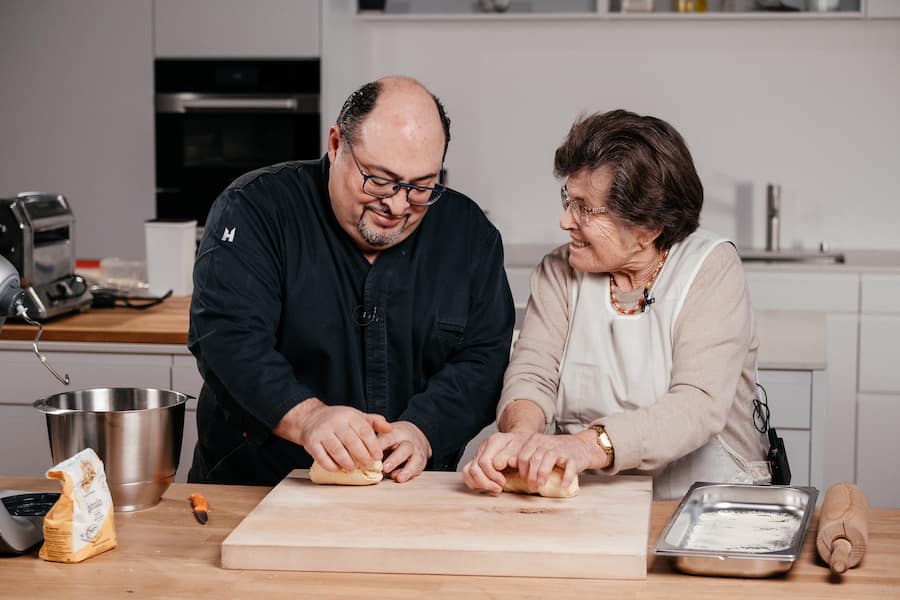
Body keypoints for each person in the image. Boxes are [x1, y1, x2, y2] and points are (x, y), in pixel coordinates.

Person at [188, 76, 515, 486]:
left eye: (421, 186)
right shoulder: (256, 209)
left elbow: (483, 358)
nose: (397, 206)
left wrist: (423, 429)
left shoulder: (469, 235)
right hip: (255, 487)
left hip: (411, 497)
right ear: (336, 143)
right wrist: (307, 417)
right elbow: (227, 339)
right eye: (379, 180)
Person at [462, 109, 770, 501]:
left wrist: (584, 446)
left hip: (707, 501)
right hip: (590, 502)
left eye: (584, 208)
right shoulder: (559, 270)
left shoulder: (711, 269)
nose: (564, 221)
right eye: (567, 200)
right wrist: (521, 437)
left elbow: (697, 405)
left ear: (646, 229)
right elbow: (534, 373)